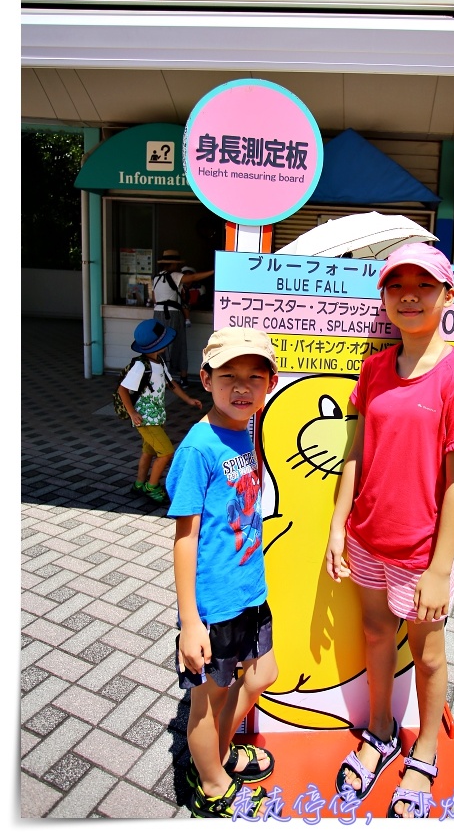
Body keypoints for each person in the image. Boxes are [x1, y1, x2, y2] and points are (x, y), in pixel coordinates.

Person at [325, 242, 454, 819]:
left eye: (423, 285)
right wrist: (339, 526)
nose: (409, 296)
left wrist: (440, 569)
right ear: (384, 297)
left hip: (420, 552)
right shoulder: (373, 369)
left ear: (448, 294)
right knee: (373, 632)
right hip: (367, 538)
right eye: (396, 286)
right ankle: (381, 732)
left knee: (428, 655)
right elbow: (355, 453)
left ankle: (426, 751)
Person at [167, 327, 280, 819]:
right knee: (205, 704)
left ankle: (218, 747)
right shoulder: (198, 449)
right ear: (206, 379)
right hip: (214, 606)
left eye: (255, 377)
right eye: (229, 375)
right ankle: (211, 783)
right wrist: (190, 621)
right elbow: (185, 538)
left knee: (262, 675)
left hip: (250, 592)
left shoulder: (245, 431)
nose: (242, 387)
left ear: (270, 383)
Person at [118, 319, 203, 505]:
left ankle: (140, 484)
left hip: (156, 416)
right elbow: (122, 390)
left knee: (148, 451)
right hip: (145, 419)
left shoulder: (159, 362)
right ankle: (152, 486)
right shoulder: (140, 366)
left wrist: (188, 399)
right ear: (158, 345)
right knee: (165, 453)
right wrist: (132, 413)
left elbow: (171, 384)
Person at [152, 250, 215, 389]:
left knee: (159, 345)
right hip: (173, 314)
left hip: (157, 314)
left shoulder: (156, 278)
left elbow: (154, 299)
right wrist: (214, 271)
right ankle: (182, 378)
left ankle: (160, 377)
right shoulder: (175, 276)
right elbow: (193, 277)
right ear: (173, 264)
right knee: (179, 344)